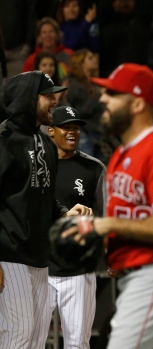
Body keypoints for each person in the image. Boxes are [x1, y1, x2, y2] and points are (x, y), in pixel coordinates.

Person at [65, 63, 153, 348]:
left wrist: (105, 224)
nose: (102, 98)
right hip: (136, 277)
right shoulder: (118, 157)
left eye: (113, 93)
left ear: (137, 104)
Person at [0, 71, 89, 349]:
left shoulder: (46, 142)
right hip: (9, 254)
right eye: (48, 96)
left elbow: (45, 195)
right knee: (18, 334)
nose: (55, 100)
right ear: (28, 98)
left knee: (37, 338)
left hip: (39, 256)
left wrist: (64, 213)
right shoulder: (5, 139)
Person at [45, 106, 106, 349]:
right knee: (31, 339)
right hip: (39, 268)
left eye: (76, 127)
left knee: (78, 343)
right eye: (66, 127)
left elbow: (106, 216)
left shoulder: (93, 168)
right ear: (50, 131)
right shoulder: (38, 166)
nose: (73, 132)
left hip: (78, 269)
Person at [60, 49, 103, 157]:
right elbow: (81, 111)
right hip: (84, 134)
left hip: (97, 132)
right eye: (90, 58)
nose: (94, 60)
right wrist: (99, 95)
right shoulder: (73, 84)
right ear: (80, 63)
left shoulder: (93, 83)